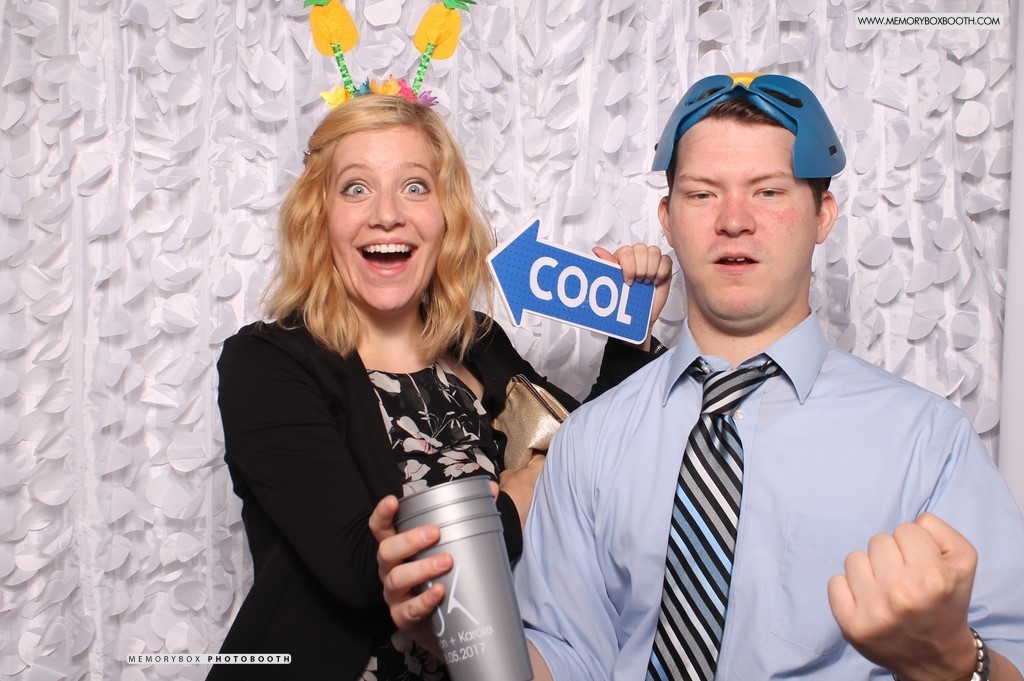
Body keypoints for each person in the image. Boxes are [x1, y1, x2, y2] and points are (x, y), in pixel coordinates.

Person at [371, 73, 1024, 679]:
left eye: (769, 191)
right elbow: (570, 658)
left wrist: (951, 661)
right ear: (668, 218)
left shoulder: (925, 441)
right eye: (703, 193)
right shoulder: (589, 441)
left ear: (823, 214)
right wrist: (456, 630)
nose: (734, 219)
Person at [208, 93, 671, 680]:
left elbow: (588, 463)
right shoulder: (267, 364)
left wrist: (633, 335)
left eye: (414, 186)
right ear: (318, 215)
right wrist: (523, 493)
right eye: (356, 188)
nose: (386, 214)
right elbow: (363, 571)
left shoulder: (478, 343)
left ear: (445, 214)